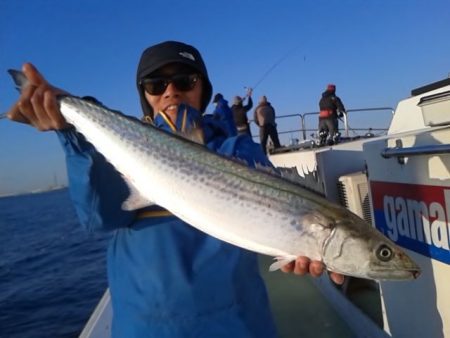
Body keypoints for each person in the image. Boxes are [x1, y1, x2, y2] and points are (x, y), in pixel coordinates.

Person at [8, 41, 344, 338]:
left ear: (203, 90)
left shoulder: (238, 150)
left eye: (184, 81)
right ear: (145, 96)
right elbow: (99, 217)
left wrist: (294, 246)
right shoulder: (125, 149)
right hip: (145, 328)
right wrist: (71, 131)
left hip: (238, 326)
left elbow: (277, 213)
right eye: (156, 84)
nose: (171, 91)